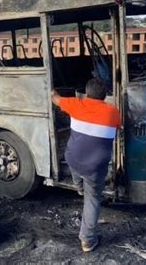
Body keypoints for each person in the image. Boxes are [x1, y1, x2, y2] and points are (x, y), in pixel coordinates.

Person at [51, 78, 120, 252]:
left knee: (75, 162)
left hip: (72, 159)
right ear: (104, 96)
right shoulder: (113, 112)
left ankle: (78, 186)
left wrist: (51, 91)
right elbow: (119, 129)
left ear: (87, 93)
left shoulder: (75, 104)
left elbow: (56, 99)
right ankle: (87, 240)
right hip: (94, 168)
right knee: (92, 199)